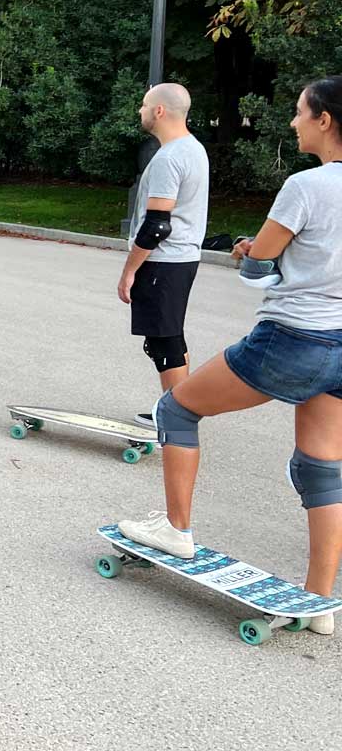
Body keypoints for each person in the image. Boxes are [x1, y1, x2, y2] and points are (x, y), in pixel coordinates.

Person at [118, 77, 342, 635]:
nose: (292, 122)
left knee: (176, 410)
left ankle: (176, 528)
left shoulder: (307, 185)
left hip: (293, 337)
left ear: (325, 121)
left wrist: (247, 250)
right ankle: (320, 601)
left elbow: (259, 264)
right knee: (321, 466)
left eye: (298, 113)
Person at [117, 83, 209, 429]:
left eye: (143, 105)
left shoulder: (170, 158)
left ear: (159, 111)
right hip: (182, 259)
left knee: (164, 340)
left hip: (164, 261)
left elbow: (157, 225)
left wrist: (129, 271)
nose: (140, 111)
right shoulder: (194, 149)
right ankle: (175, 410)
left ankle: (177, 418)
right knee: (169, 335)